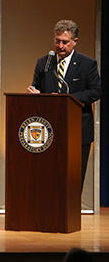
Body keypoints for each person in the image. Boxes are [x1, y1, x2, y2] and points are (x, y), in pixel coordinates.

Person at [26, 19, 102, 187]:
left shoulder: (87, 64)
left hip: (77, 128)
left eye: (65, 42)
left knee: (73, 178)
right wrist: (34, 93)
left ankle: (71, 212)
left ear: (75, 42)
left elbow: (96, 91)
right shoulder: (44, 62)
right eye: (57, 41)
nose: (60, 46)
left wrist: (68, 99)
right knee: (48, 176)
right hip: (49, 128)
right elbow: (35, 86)